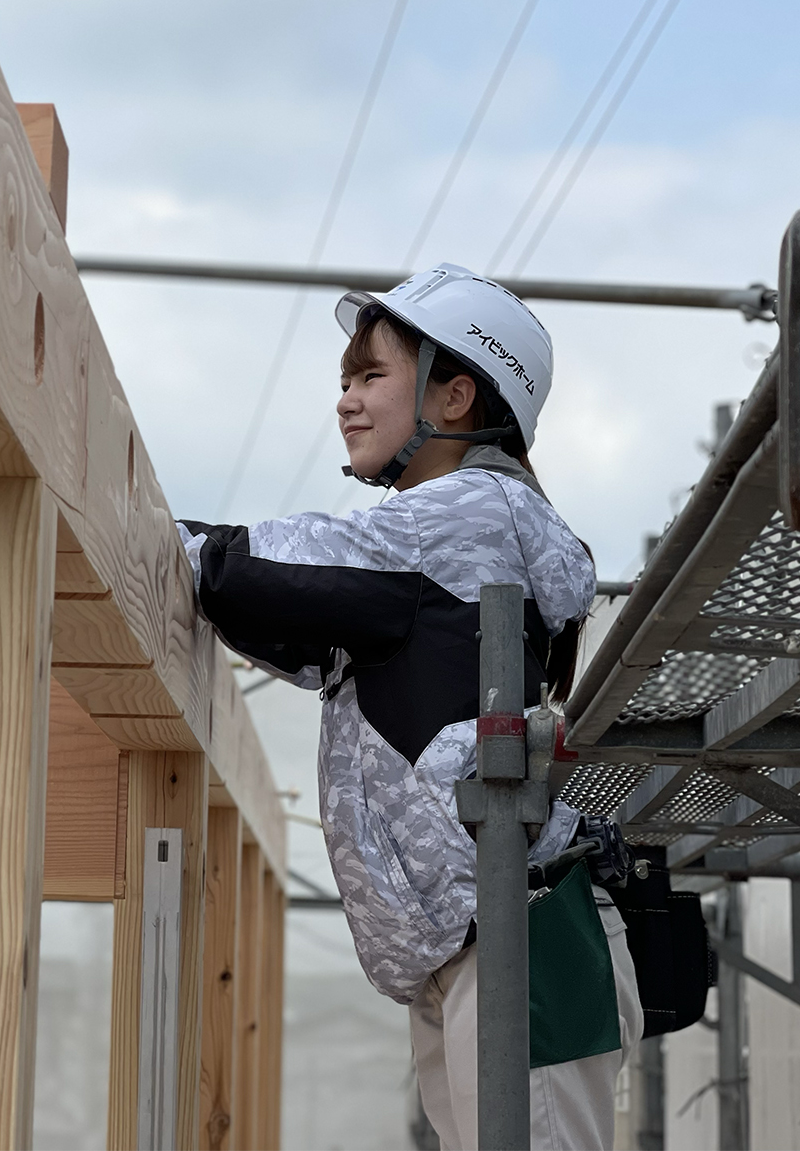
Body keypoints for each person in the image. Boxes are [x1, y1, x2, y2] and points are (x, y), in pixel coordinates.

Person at [176, 264, 643, 1151]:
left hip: (525, 937)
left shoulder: (466, 513)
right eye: (344, 382)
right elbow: (306, 625)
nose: (346, 402)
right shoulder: (446, 548)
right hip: (482, 938)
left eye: (371, 376)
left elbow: (259, 571)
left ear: (457, 395)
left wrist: (148, 535)